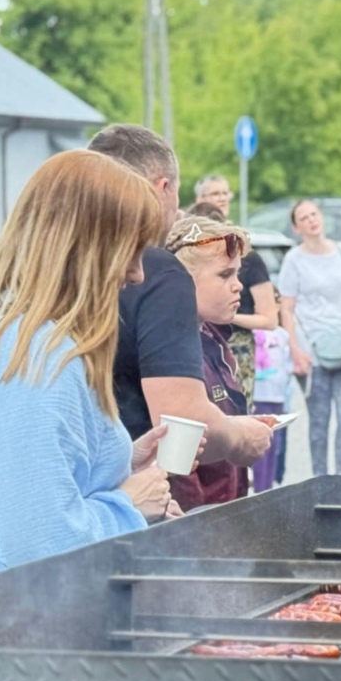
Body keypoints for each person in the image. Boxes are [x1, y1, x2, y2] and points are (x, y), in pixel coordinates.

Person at [0, 150, 177, 592]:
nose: (136, 275)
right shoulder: (35, 358)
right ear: (85, 250)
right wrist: (128, 505)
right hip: (11, 610)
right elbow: (41, 539)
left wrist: (110, 460)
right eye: (129, 252)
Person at [88, 125, 272, 468]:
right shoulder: (160, 271)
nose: (135, 274)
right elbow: (181, 420)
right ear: (164, 187)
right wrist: (241, 437)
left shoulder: (60, 267)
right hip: (144, 493)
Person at [163, 215, 260, 508]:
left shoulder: (215, 341)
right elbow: (177, 461)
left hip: (225, 509)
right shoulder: (169, 350)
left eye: (238, 274)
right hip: (193, 522)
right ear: (183, 280)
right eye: (224, 275)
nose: (238, 286)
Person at [279, 200, 341, 476]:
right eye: (304, 217)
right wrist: (295, 349)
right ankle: (320, 482)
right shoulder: (294, 260)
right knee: (319, 424)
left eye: (314, 214)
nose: (311, 220)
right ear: (297, 228)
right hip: (314, 352)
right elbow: (286, 307)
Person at [191, 200, 279, 411]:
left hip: (237, 347)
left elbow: (269, 319)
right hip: (201, 340)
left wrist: (228, 316)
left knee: (236, 412)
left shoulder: (249, 260)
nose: (236, 284)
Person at [252, 289, 292, 492]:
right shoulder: (251, 332)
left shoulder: (283, 335)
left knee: (275, 445)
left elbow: (288, 365)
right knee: (260, 446)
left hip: (278, 396)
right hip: (258, 396)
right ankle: (259, 487)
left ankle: (270, 486)